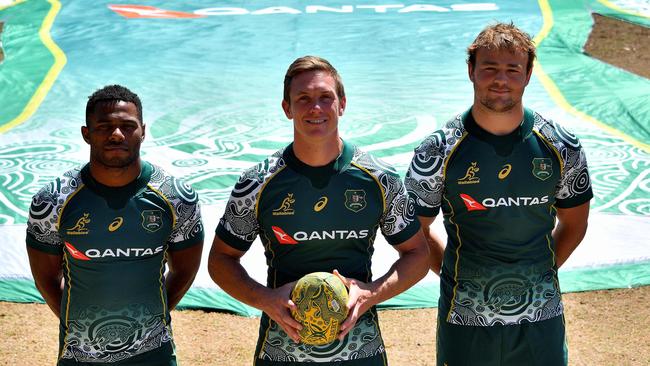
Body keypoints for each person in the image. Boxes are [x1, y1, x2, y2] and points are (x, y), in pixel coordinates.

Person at [208, 56, 429, 365]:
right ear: (287, 108)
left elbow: (418, 254)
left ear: (342, 104)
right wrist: (266, 299)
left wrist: (370, 293)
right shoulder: (258, 183)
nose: (316, 108)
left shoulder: (379, 178)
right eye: (304, 99)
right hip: (282, 352)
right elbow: (220, 260)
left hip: (361, 351)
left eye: (326, 97)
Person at [405, 22, 593, 365]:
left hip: (541, 317)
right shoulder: (438, 149)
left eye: (512, 69)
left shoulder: (562, 145)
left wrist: (539, 274)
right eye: (489, 68)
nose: (500, 80)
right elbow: (414, 231)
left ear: (528, 74)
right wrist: (455, 275)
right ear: (471, 70)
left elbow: (575, 224)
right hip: (465, 318)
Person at [26, 85, 204, 365]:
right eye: (104, 126)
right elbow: (46, 278)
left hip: (154, 354)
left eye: (127, 126)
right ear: (86, 133)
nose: (116, 134)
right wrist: (81, 328)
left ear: (143, 131)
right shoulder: (53, 200)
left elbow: (185, 269)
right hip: (80, 355)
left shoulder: (176, 196)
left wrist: (150, 322)